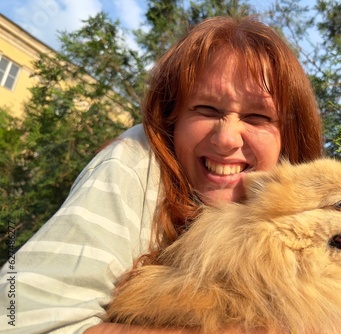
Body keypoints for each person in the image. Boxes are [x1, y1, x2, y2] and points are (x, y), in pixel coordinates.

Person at [0, 15, 323, 333]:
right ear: (172, 120)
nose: (226, 138)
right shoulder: (136, 157)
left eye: (257, 117)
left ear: (289, 137)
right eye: (206, 109)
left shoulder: (315, 211)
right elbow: (23, 318)